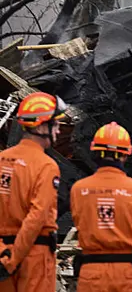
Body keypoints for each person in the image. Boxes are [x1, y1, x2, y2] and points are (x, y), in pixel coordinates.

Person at [70, 122, 132, 292]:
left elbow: (80, 222)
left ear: (95, 152)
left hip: (92, 273)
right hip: (130, 273)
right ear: (125, 155)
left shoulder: (79, 189)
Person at [0, 92, 66, 292]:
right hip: (32, 256)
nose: (58, 131)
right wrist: (14, 259)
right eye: (55, 125)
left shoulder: (2, 159)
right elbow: (36, 217)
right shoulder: (46, 165)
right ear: (41, 126)